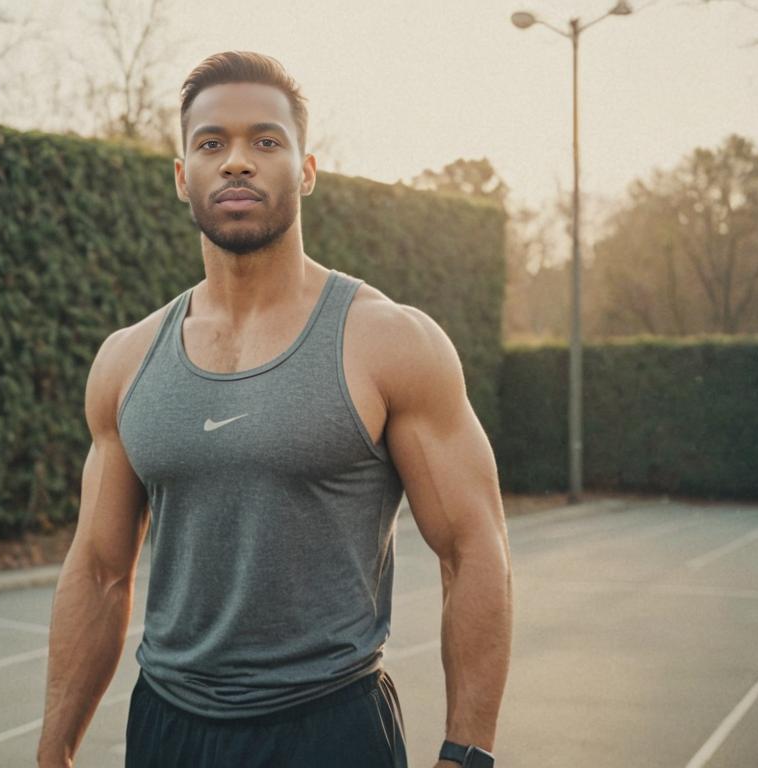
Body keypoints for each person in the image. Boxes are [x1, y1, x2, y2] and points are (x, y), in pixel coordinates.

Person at [36, 50, 512, 768]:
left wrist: (467, 753)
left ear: (307, 170)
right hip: (168, 729)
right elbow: (100, 571)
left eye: (265, 141)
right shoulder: (127, 361)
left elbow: (475, 549)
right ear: (180, 176)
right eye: (211, 143)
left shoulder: (388, 342)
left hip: (328, 727)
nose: (236, 162)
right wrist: (53, 750)